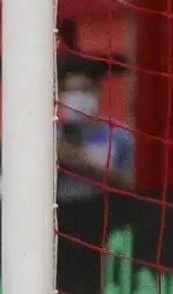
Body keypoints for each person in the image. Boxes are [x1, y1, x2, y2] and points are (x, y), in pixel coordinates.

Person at [56, 66, 134, 199]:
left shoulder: (120, 137)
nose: (78, 98)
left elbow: (132, 184)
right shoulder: (48, 138)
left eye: (84, 90)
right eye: (71, 91)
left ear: (96, 91)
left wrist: (86, 164)